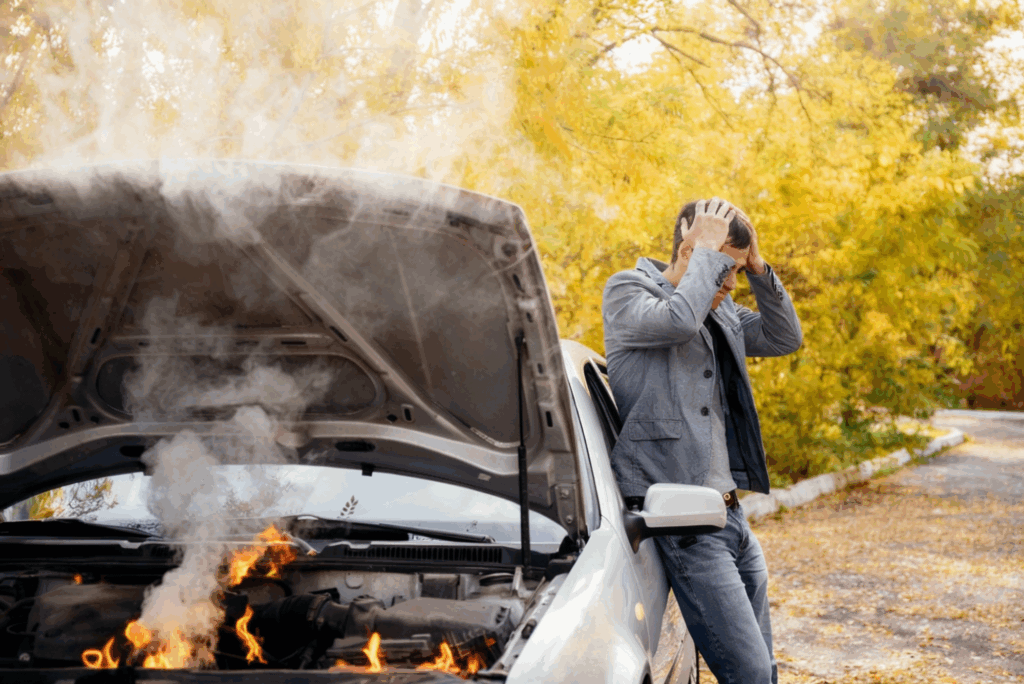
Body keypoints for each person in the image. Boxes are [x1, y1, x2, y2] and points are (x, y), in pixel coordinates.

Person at [601, 197, 802, 684]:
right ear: (692, 248)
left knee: (764, 669)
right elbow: (676, 321)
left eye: (736, 272)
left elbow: (784, 338)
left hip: (731, 515)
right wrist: (708, 255)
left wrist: (757, 267)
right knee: (749, 674)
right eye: (723, 270)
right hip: (687, 524)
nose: (730, 284)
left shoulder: (721, 307)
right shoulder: (628, 292)